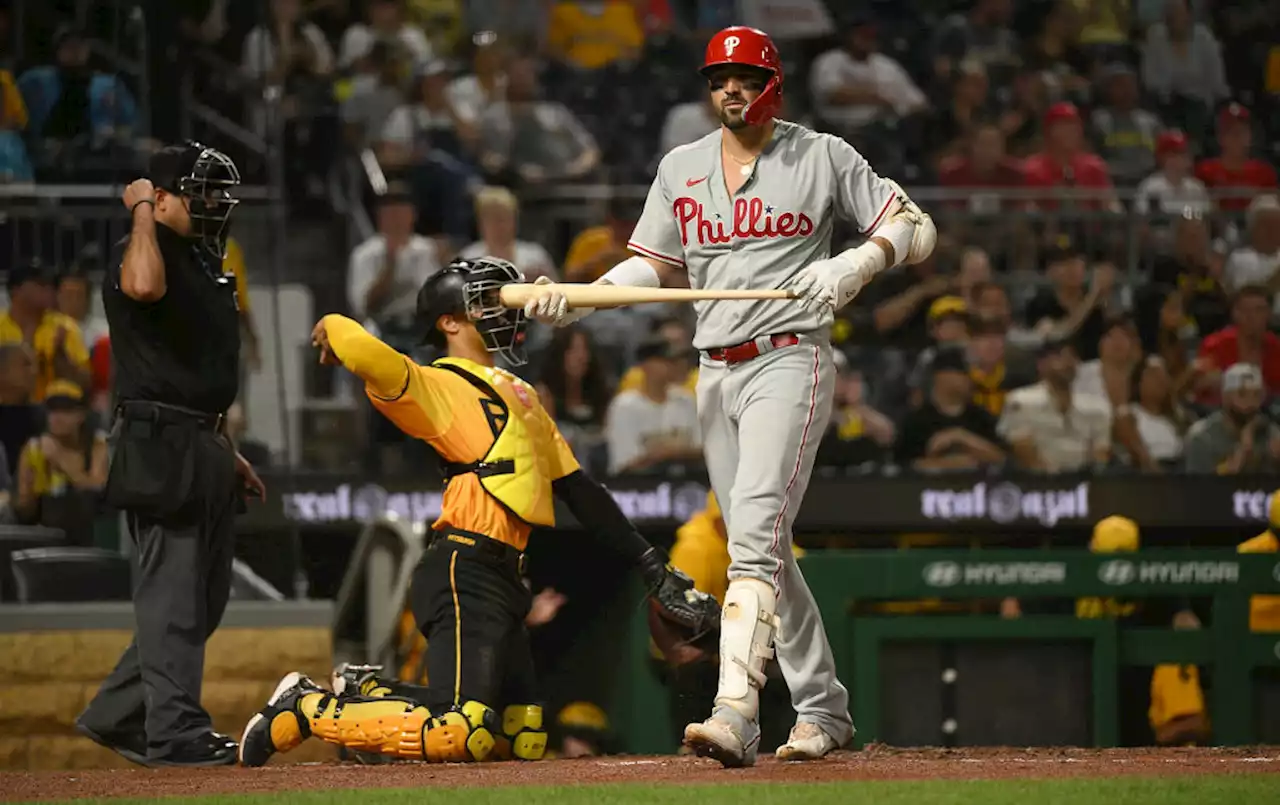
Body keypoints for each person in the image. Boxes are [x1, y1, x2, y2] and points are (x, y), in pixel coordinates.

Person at [524, 25, 937, 766]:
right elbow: (650, 267)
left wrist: (854, 265)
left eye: (744, 76)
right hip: (713, 369)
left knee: (748, 538)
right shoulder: (681, 166)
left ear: (772, 82)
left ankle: (736, 710)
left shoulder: (822, 155)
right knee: (767, 543)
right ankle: (823, 707)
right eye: (719, 78)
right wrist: (579, 296)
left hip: (791, 356)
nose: (730, 89)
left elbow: (915, 227)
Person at [237, 256, 719, 767]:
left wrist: (652, 564)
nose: (504, 309)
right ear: (449, 320)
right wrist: (333, 328)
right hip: (462, 566)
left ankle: (369, 691)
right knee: (459, 731)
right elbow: (361, 346)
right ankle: (306, 710)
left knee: (522, 734)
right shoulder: (435, 384)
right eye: (487, 300)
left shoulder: (524, 393)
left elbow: (580, 491)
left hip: (508, 574)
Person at [76, 142, 266, 768]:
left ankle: (119, 715)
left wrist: (224, 448)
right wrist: (138, 215)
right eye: (199, 192)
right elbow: (141, 285)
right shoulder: (143, 252)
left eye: (218, 192)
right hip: (161, 443)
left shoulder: (202, 259)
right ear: (160, 199)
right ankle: (176, 732)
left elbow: (201, 369)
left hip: (201, 440)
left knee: (202, 601)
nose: (214, 203)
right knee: (173, 599)